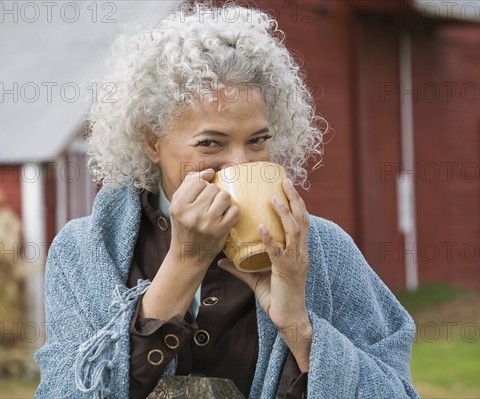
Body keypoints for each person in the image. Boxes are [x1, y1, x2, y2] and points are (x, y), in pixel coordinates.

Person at [34, 2, 420, 398]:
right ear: (152, 142)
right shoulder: (85, 251)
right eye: (210, 143)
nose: (239, 163)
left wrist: (299, 328)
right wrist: (185, 263)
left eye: (257, 141)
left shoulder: (323, 250)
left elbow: (396, 392)